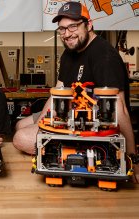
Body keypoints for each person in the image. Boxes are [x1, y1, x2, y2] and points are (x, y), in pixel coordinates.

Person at [13, 1, 137, 178]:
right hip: (68, 112)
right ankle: (53, 144)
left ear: (89, 24)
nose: (67, 34)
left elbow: (120, 108)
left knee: (20, 138)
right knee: (20, 124)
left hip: (91, 124)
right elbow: (58, 91)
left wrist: (132, 158)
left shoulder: (104, 56)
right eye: (62, 29)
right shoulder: (69, 53)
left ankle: (70, 154)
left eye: (73, 26)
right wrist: (41, 125)